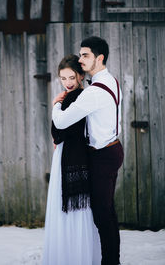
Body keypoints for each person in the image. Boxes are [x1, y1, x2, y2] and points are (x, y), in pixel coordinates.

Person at [52, 37, 124, 265]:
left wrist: (56, 103)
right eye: (80, 54)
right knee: (108, 212)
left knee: (102, 215)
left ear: (99, 58)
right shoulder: (111, 80)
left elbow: (62, 122)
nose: (81, 59)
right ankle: (112, 260)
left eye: (86, 55)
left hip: (103, 155)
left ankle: (109, 262)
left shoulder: (93, 92)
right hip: (111, 149)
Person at [42, 54, 101, 265]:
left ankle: (71, 257)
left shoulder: (74, 98)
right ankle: (76, 254)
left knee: (69, 207)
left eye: (72, 78)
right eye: (63, 78)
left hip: (69, 156)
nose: (68, 83)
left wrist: (55, 106)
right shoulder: (79, 95)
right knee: (78, 209)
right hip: (75, 155)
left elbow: (58, 133)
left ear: (81, 76)